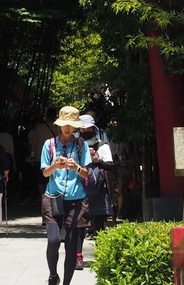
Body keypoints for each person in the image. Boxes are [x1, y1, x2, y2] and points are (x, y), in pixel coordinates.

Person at [40, 106, 92, 285]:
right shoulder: (50, 144)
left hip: (76, 199)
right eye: (65, 124)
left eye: (71, 124)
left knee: (71, 246)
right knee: (53, 240)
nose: (68, 128)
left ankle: (66, 283)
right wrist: (55, 165)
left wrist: (75, 167)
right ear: (59, 125)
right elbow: (45, 173)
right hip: (53, 197)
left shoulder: (81, 145)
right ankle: (53, 275)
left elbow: (86, 173)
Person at [75, 113, 115, 269]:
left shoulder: (102, 146)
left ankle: (101, 255)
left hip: (98, 188)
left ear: (93, 128)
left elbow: (110, 166)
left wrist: (98, 160)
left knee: (99, 224)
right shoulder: (75, 145)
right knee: (80, 224)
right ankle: (78, 256)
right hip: (79, 188)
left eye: (88, 128)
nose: (85, 131)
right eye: (82, 128)